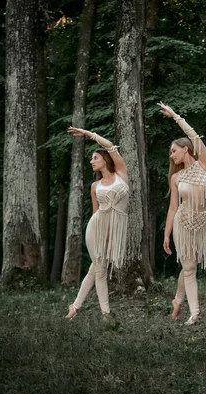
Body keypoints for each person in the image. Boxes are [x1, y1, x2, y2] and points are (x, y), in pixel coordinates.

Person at [64, 127, 129, 321]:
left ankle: (75, 307)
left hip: (116, 229)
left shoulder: (122, 174)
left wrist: (88, 134)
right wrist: (101, 234)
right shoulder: (95, 186)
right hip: (96, 229)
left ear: (105, 160)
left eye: (95, 158)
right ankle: (106, 314)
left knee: (96, 269)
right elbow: (95, 212)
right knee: (100, 270)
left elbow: (109, 146)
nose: (91, 161)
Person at [159, 102, 206, 325]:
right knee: (189, 267)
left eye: (173, 151)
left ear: (185, 148)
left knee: (190, 265)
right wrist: (167, 234)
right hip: (182, 222)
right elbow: (173, 207)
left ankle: (177, 300)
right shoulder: (176, 178)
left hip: (203, 221)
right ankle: (195, 313)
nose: (171, 156)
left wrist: (175, 116)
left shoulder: (204, 165)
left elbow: (194, 135)